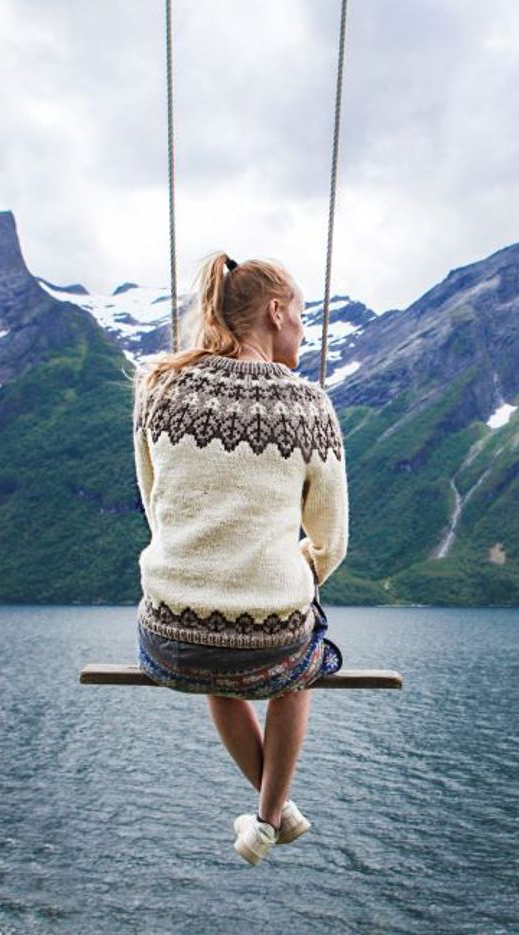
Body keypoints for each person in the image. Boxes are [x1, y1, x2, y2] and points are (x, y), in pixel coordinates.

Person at [130, 251, 349, 866]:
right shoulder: (308, 407)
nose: (304, 330)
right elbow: (331, 540)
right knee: (299, 660)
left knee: (214, 656)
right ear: (276, 312)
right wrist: (294, 573)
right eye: (302, 315)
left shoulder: (157, 387)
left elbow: (158, 507)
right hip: (268, 647)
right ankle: (269, 817)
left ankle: (271, 812)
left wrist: (213, 565)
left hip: (170, 641)